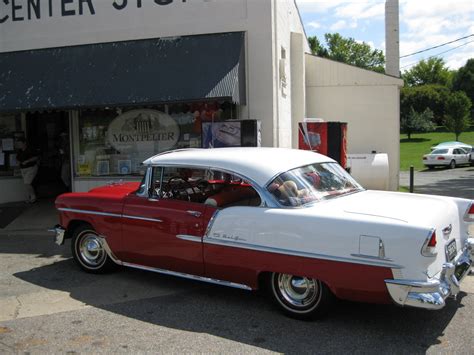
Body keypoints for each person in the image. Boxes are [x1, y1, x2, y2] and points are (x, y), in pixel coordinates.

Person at [16, 138, 39, 203]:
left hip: (31, 168)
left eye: (20, 143)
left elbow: (36, 157)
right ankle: (30, 198)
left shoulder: (30, 149)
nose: (19, 145)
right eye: (18, 144)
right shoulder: (19, 151)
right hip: (23, 169)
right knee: (27, 184)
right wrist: (18, 162)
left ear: (24, 143)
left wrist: (27, 161)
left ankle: (33, 197)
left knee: (27, 183)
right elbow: (17, 158)